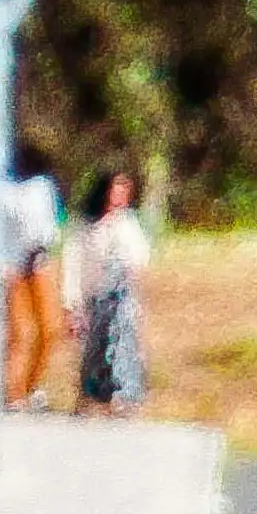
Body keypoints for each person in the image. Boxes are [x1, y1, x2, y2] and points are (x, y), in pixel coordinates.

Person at [74, 169, 155, 411]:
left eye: (124, 191)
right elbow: (74, 263)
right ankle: (90, 397)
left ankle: (124, 396)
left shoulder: (128, 223)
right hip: (94, 297)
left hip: (121, 298)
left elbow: (140, 257)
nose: (119, 196)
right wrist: (73, 304)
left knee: (123, 346)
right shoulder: (86, 227)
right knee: (93, 350)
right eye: (115, 190)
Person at [0, 149, 68, 411]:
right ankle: (14, 393)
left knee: (51, 328)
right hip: (12, 266)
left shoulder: (42, 187)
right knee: (20, 333)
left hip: (40, 261)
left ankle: (31, 385)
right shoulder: (0, 189)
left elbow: (49, 227)